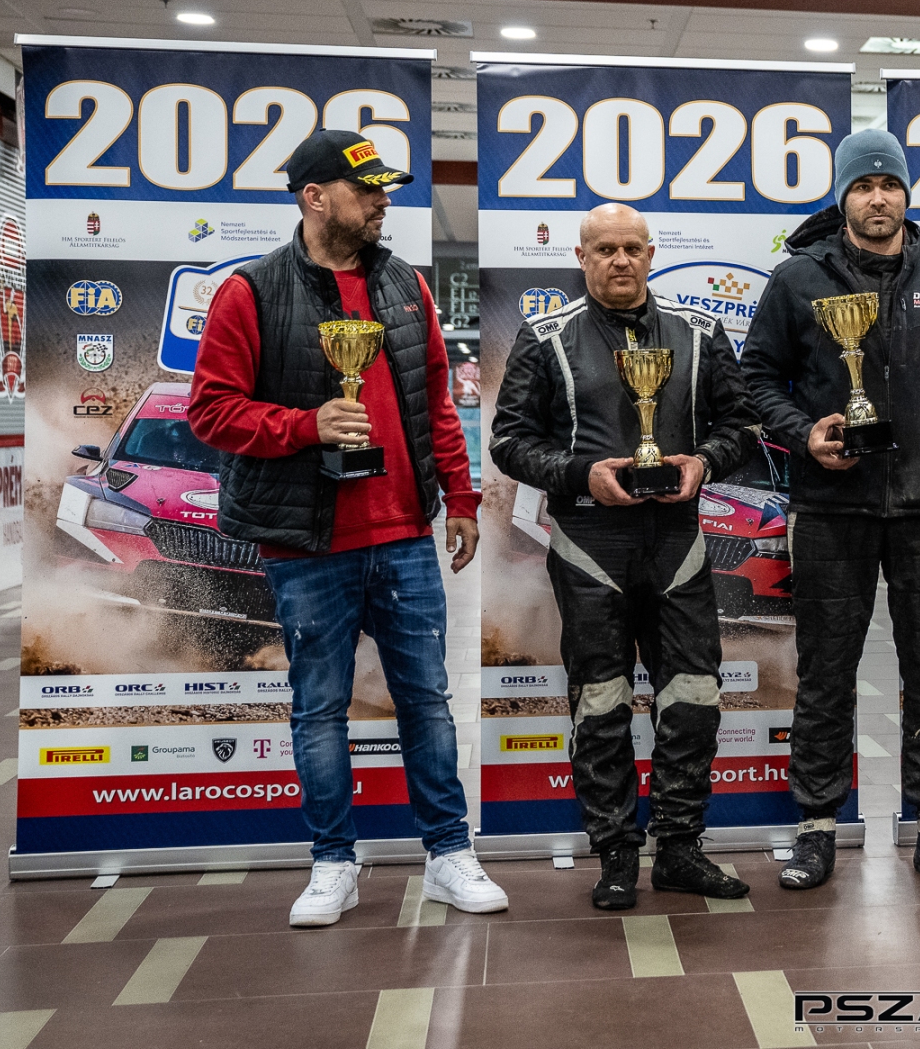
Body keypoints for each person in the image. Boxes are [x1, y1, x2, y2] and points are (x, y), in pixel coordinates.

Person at [189, 130, 507, 927]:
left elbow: (436, 403)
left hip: (403, 536)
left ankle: (449, 853)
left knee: (426, 702)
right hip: (306, 544)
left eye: (382, 189)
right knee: (319, 708)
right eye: (365, 190)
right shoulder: (250, 292)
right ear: (314, 197)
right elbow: (211, 412)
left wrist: (461, 497)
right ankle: (333, 862)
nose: (381, 202)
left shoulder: (405, 284)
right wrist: (307, 425)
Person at [742, 129, 920, 890]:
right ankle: (817, 828)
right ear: (843, 197)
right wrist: (803, 433)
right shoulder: (798, 280)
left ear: (906, 195)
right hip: (830, 510)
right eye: (863, 186)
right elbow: (756, 380)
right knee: (825, 671)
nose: (878, 198)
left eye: (890, 185)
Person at [490, 203, 757, 910]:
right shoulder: (546, 337)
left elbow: (741, 425)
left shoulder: (700, 333)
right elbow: (509, 442)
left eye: (632, 248)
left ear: (650, 254)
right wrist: (583, 475)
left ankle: (679, 848)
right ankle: (613, 853)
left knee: (693, 695)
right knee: (601, 701)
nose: (620, 260)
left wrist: (703, 462)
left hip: (678, 543)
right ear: (581, 257)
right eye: (604, 249)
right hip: (589, 545)